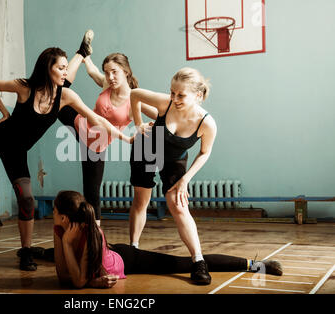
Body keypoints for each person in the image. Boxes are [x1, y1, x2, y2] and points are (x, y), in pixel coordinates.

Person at [0, 40, 134, 272]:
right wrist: (4, 112)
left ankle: (26, 252)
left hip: (16, 152)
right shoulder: (25, 87)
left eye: (67, 67)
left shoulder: (66, 96)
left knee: (27, 200)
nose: (65, 73)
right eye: (61, 68)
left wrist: (126, 138)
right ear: (48, 68)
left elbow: (97, 119)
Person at [40, 190, 282, 289]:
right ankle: (36, 253)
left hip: (125, 259)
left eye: (53, 210)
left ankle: (255, 264)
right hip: (105, 256)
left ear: (63, 216)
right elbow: (64, 278)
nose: (51, 214)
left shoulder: (93, 233)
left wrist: (70, 251)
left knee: (183, 264)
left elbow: (78, 282)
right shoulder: (60, 230)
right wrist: (63, 243)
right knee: (51, 254)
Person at [128, 67, 217, 285]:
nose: (174, 98)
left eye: (181, 95)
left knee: (177, 203)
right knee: (142, 200)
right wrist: (138, 123)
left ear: (197, 95)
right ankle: (133, 250)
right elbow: (134, 94)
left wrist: (185, 179)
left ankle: (198, 261)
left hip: (174, 159)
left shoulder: (207, 123)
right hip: (147, 147)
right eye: (172, 92)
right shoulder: (164, 103)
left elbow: (205, 153)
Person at [58, 30, 157, 226]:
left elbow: (159, 113)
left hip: (95, 146)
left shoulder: (134, 99)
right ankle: (81, 51)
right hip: (80, 124)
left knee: (91, 192)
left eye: (115, 72)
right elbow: (93, 72)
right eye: (107, 72)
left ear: (126, 72)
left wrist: (146, 125)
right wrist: (86, 59)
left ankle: (95, 235)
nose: (110, 77)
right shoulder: (106, 84)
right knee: (56, 94)